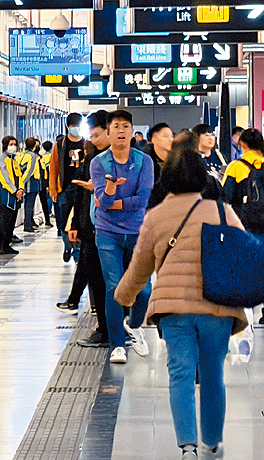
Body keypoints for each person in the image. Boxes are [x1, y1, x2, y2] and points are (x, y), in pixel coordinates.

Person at [116, 147, 248, 460]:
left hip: (173, 308)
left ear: (167, 178)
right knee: (213, 376)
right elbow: (242, 255)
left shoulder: (157, 216)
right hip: (217, 307)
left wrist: (124, 295)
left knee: (181, 375)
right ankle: (210, 447)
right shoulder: (221, 211)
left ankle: (187, 452)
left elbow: (139, 268)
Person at [89, 109, 155, 364]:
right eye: (116, 126)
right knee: (114, 287)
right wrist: (109, 192)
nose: (121, 131)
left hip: (138, 232)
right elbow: (103, 203)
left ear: (132, 131)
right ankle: (117, 344)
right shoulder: (99, 163)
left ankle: (134, 325)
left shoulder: (144, 161)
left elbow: (143, 200)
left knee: (144, 290)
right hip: (107, 233)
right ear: (108, 132)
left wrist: (115, 200)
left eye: (125, 126)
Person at [221, 127, 264, 325]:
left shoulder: (236, 167)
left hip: (243, 226)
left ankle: (239, 310)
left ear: (242, 145)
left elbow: (225, 197)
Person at [56, 110, 110, 350]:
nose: (94, 140)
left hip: (114, 229)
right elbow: (79, 191)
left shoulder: (128, 160)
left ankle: (114, 327)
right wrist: (75, 225)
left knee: (113, 281)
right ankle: (104, 328)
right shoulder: (91, 159)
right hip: (90, 228)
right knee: (95, 278)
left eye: (97, 135)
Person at [49, 113, 84, 261]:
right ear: (68, 126)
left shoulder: (86, 143)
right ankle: (67, 245)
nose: (75, 128)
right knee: (64, 219)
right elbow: (54, 167)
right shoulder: (61, 144)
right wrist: (53, 189)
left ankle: (76, 251)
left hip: (82, 187)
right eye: (73, 125)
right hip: (64, 188)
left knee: (79, 220)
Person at [0, 136, 23, 255]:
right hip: (5, 195)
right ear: (5, 145)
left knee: (11, 221)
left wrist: (21, 189)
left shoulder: (15, 161)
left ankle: (7, 244)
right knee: (3, 221)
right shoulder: (0, 159)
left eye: (15, 144)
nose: (13, 146)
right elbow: (4, 177)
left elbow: (19, 176)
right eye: (11, 144)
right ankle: (1, 245)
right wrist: (14, 190)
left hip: (16, 196)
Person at [144, 122, 174, 208]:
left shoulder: (176, 160)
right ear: (153, 139)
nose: (170, 139)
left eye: (171, 136)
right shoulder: (144, 162)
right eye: (165, 136)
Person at [19, 138, 45, 233]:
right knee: (30, 204)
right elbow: (30, 170)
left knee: (27, 204)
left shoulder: (21, 154)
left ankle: (29, 222)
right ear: (34, 146)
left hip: (24, 182)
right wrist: (23, 181)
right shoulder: (33, 156)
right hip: (31, 182)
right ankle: (28, 225)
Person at [39, 141, 54, 228]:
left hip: (43, 181)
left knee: (45, 198)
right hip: (48, 180)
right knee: (49, 198)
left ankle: (47, 215)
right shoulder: (51, 157)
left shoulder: (42, 157)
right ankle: (49, 213)